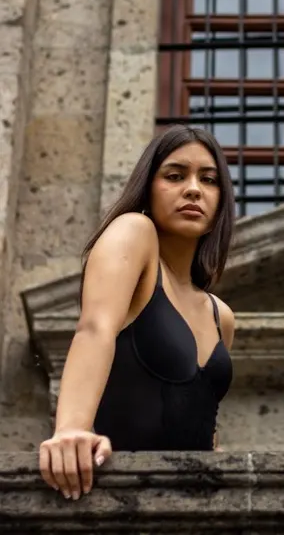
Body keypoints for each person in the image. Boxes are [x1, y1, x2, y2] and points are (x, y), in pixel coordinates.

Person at [39, 125, 236, 500]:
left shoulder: (220, 316)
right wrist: (70, 429)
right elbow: (95, 328)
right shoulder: (134, 232)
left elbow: (198, 413)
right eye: (175, 176)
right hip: (110, 496)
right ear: (148, 187)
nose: (193, 188)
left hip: (193, 507)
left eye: (208, 180)